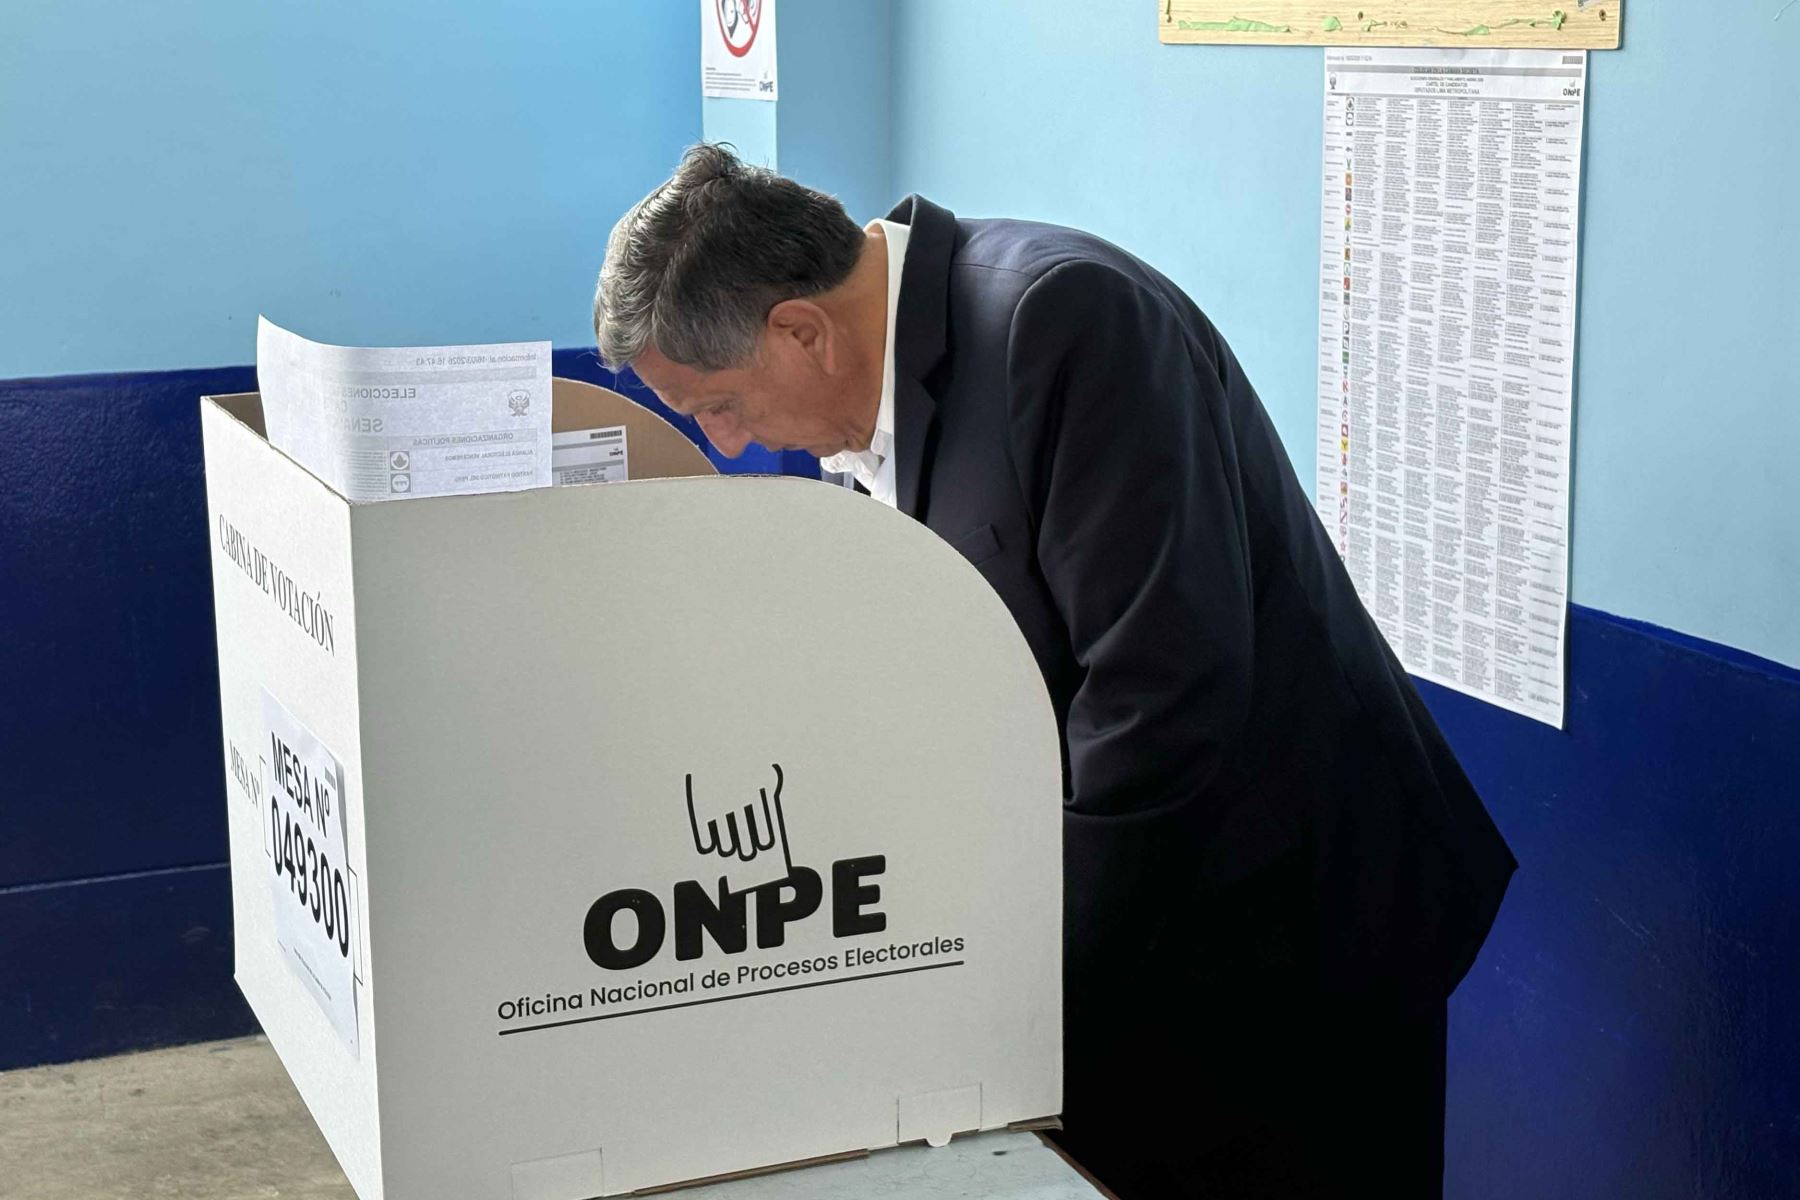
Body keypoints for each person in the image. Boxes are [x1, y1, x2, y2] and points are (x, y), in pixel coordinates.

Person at [592, 144, 1515, 1199]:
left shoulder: (1062, 321)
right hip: (1157, 922)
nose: (727, 439)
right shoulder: (874, 389)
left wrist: (1012, 991)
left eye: (719, 404)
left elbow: (1160, 696)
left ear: (800, 330)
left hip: (1298, 929)